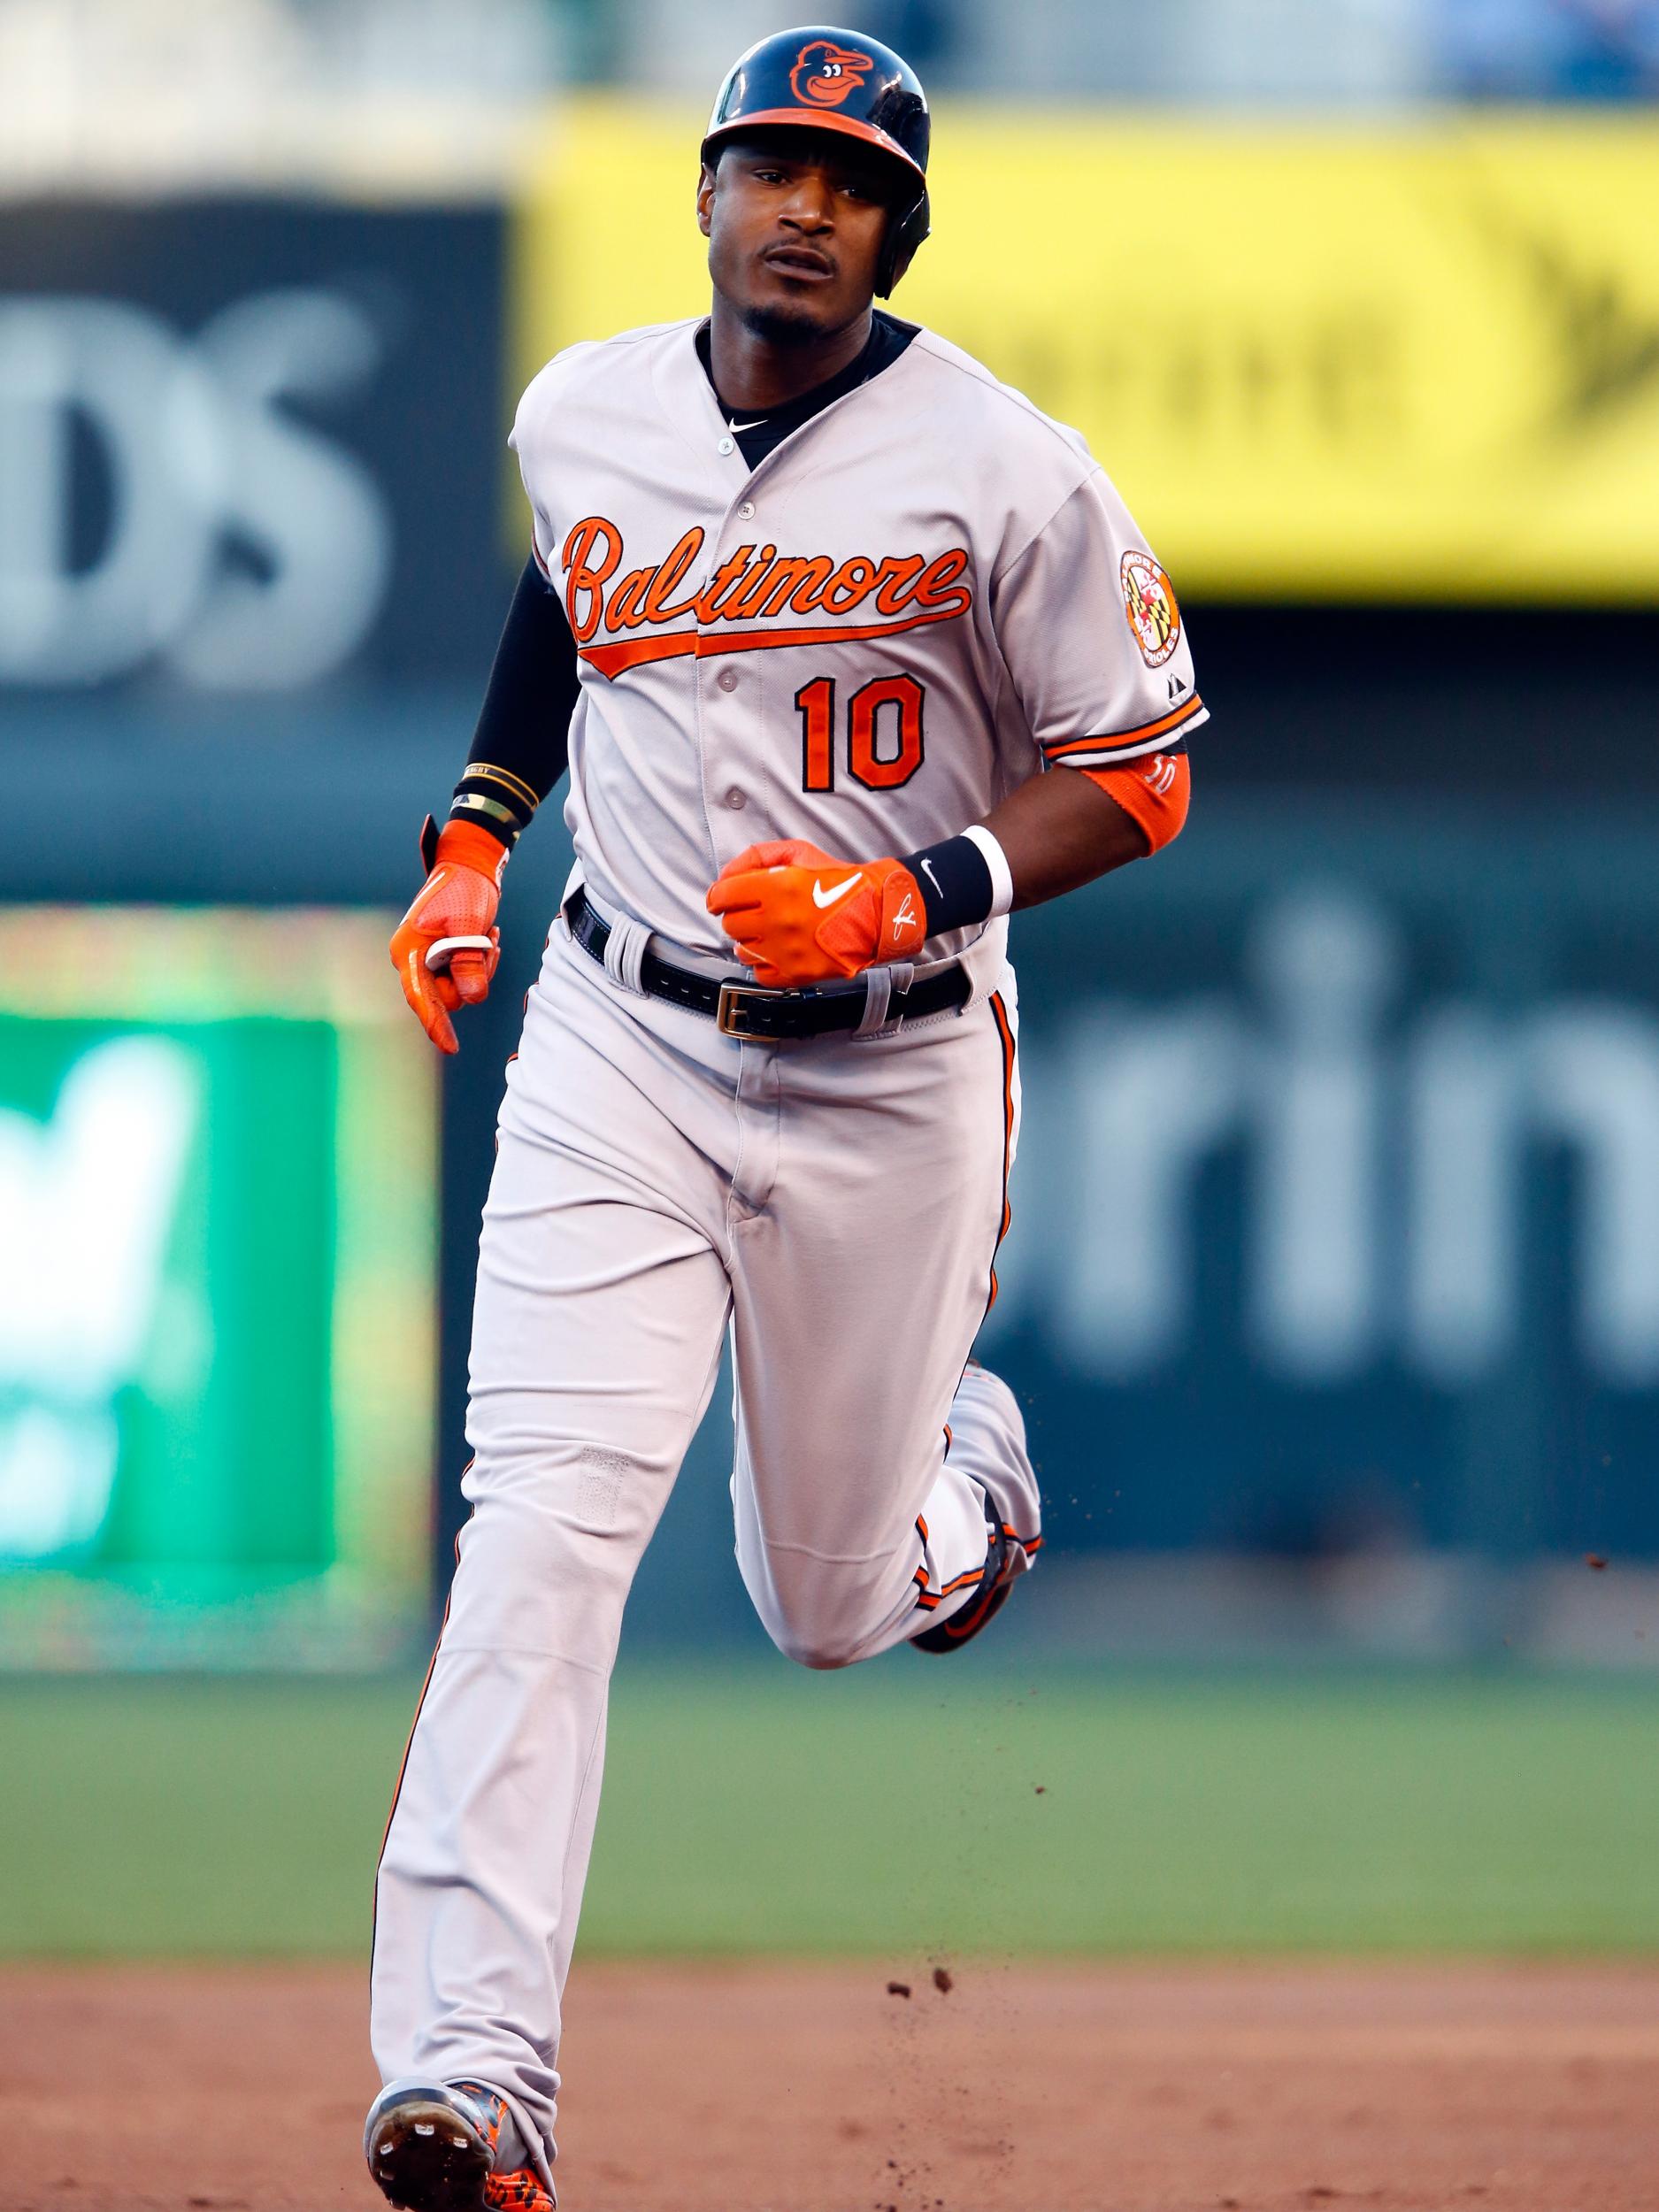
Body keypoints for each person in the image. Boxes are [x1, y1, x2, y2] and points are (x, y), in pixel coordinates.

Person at [365, 25, 1205, 2211]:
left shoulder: (1004, 465)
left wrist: (905, 888)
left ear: (894, 232)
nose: (804, 205)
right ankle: (470, 2073)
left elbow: (1139, 765)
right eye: (773, 165)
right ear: (712, 193)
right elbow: (575, 587)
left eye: (850, 183)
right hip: (615, 1048)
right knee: (537, 1539)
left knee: (826, 1602)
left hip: (891, 1064)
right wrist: (475, 834)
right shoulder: (587, 407)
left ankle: (966, 1481)